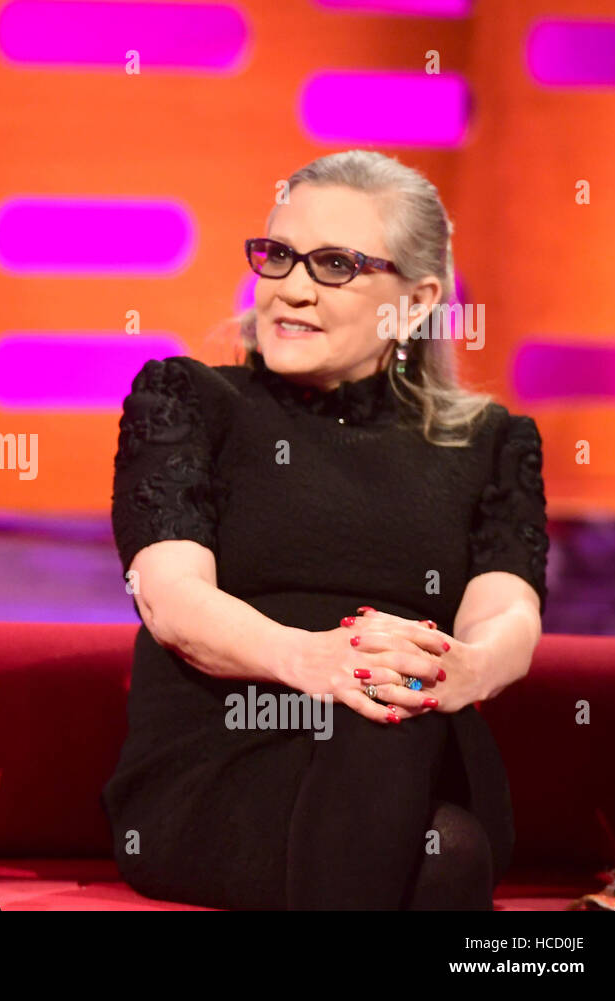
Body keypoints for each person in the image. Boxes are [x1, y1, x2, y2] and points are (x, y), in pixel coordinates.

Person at [103, 150, 549, 910]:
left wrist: (462, 669)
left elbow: (508, 608)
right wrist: (319, 661)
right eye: (278, 256)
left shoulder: (491, 442)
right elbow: (172, 600)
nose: (293, 289)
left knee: (397, 681)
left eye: (335, 264)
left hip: (416, 749)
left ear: (415, 302)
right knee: (446, 852)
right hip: (225, 767)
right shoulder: (190, 401)